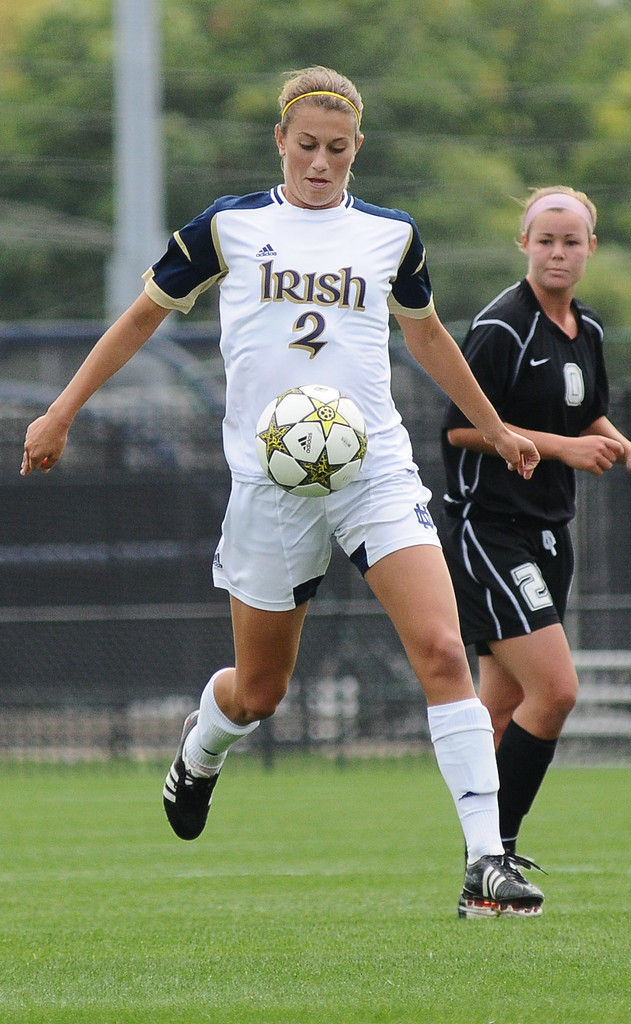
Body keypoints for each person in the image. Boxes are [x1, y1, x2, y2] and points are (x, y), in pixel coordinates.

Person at [22, 66, 545, 919]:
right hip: (271, 484)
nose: (319, 164)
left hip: (371, 467)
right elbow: (141, 318)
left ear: (357, 151)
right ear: (281, 142)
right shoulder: (229, 226)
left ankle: (485, 863)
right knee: (260, 692)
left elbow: (428, 336)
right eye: (306, 147)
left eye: (337, 151)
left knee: (447, 654)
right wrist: (60, 412)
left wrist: (493, 425)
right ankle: (202, 749)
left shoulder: (391, 236)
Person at [439, 185, 631, 866]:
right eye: (546, 240)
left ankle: (488, 860)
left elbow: (586, 412)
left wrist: (629, 450)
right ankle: (492, 856)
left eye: (571, 242)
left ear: (591, 248)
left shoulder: (587, 330)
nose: (558, 253)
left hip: (547, 531)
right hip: (492, 530)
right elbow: (457, 430)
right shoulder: (500, 328)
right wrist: (564, 449)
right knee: (558, 690)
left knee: (505, 704)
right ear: (524, 245)